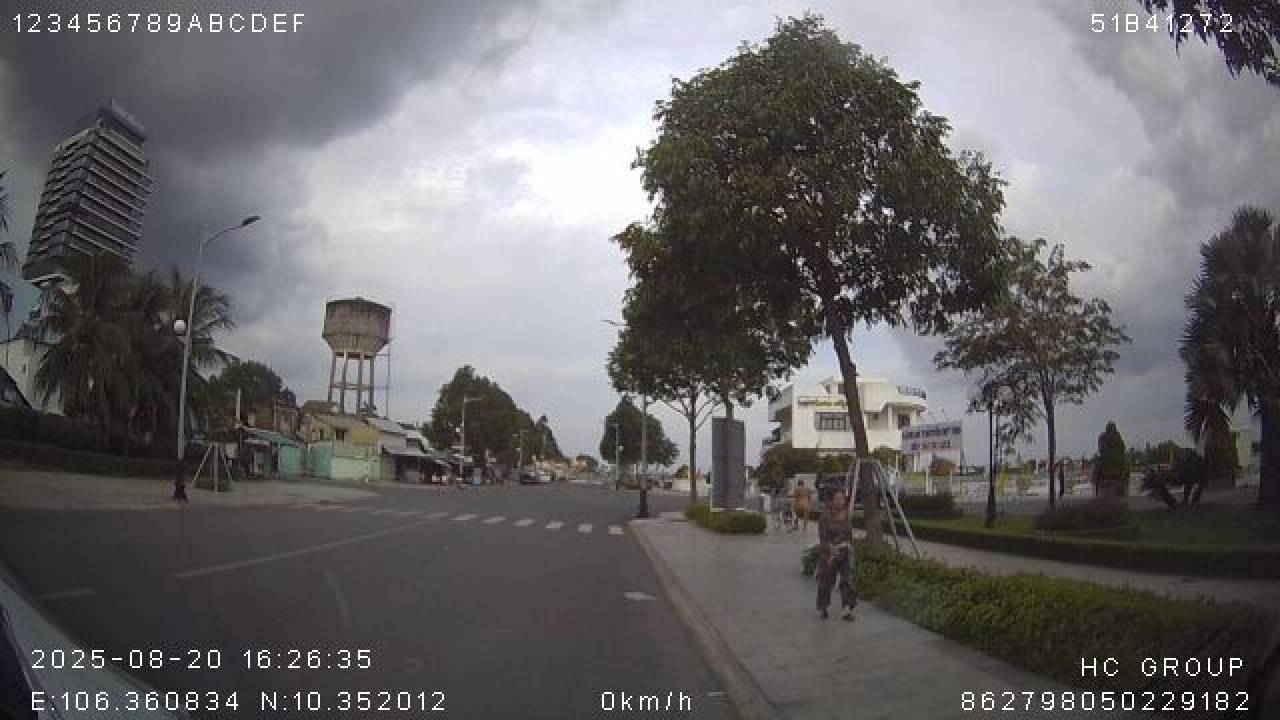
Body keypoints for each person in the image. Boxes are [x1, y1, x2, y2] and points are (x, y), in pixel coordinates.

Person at [816, 489, 856, 621]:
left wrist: (850, 546)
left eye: (842, 499)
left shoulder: (847, 515)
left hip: (845, 552)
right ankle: (823, 607)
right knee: (826, 582)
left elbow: (849, 534)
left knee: (848, 580)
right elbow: (823, 537)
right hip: (829, 554)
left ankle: (847, 609)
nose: (840, 501)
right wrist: (830, 548)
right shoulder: (825, 517)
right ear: (832, 501)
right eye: (837, 498)